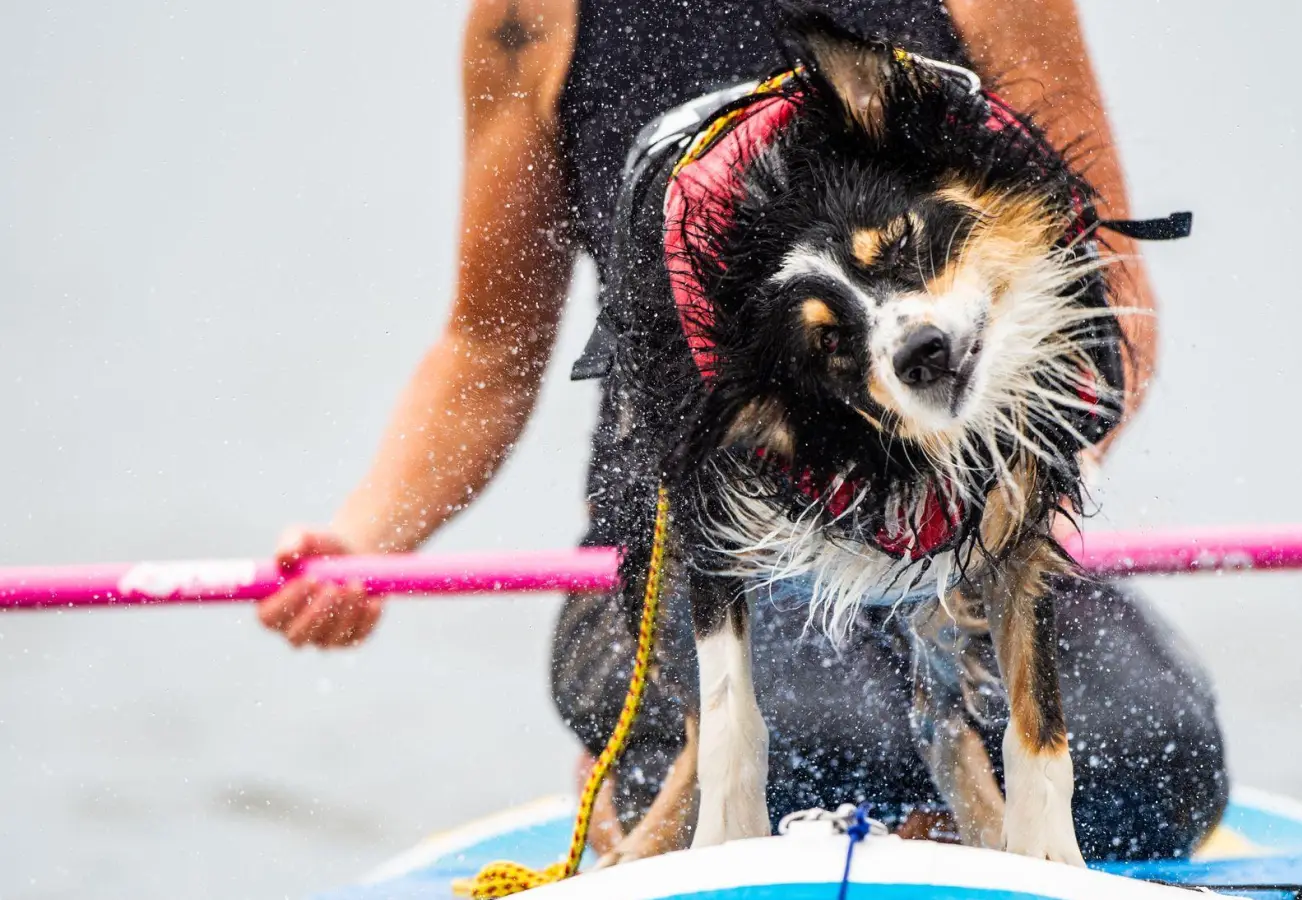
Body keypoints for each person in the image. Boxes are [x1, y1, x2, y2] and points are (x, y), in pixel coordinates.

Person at [258, 0, 1227, 860]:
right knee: (829, 747)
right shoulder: (530, 16)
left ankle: (936, 817)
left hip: (967, 534)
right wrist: (366, 537)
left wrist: (1007, 494)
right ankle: (682, 772)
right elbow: (487, 350)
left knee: (1153, 756)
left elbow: (1096, 286)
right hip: (701, 549)